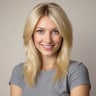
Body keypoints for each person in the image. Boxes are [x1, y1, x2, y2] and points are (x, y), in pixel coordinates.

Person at [9, 2, 91, 96]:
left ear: (63, 34)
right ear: (31, 34)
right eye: (40, 31)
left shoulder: (76, 71)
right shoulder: (19, 72)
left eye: (55, 31)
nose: (48, 40)